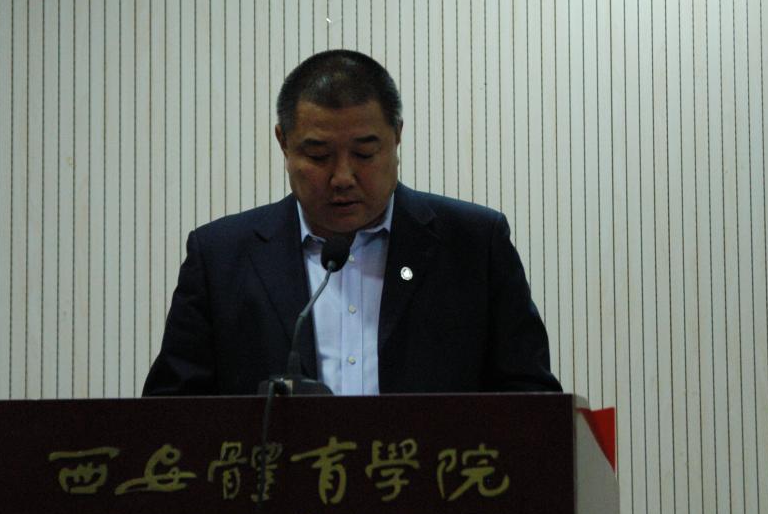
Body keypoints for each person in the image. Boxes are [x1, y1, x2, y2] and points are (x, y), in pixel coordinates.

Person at [142, 50, 561, 396]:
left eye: (364, 153)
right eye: (318, 155)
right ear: (283, 142)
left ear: (397, 136)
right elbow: (169, 414)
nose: (342, 177)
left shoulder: (474, 245)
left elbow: (531, 398)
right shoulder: (220, 257)